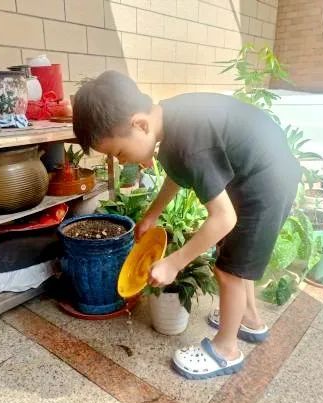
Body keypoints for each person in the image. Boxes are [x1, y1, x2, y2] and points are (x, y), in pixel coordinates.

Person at [72, 71, 301, 379]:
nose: (123, 162)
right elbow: (179, 173)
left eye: (120, 153)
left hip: (267, 184)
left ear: (140, 124)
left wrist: (174, 263)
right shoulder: (169, 121)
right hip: (257, 172)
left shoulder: (187, 143)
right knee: (236, 259)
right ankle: (249, 319)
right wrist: (152, 214)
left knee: (229, 270)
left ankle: (226, 350)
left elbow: (224, 218)